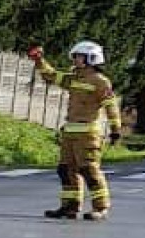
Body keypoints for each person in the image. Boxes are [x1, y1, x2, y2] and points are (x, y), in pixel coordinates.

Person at [30, 40, 126, 220]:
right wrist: (39, 60)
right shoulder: (74, 78)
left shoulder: (100, 81)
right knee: (66, 170)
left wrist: (115, 129)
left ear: (91, 58)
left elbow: (111, 106)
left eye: (79, 57)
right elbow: (50, 76)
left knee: (89, 170)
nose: (75, 60)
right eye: (74, 56)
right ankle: (70, 207)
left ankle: (101, 208)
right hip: (70, 133)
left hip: (88, 134)